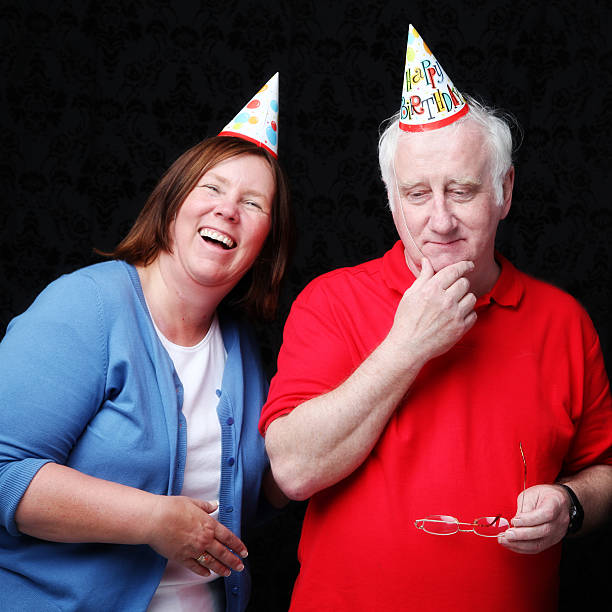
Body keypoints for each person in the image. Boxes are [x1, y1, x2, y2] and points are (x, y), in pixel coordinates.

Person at [259, 27, 612, 612]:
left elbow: (603, 471)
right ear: (392, 199)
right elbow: (293, 470)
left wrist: (571, 504)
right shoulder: (331, 301)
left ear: (504, 190)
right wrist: (408, 345)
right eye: (417, 194)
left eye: (463, 190)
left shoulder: (564, 322)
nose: (440, 221)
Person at [0, 73, 291, 612]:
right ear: (173, 203)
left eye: (254, 204)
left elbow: (268, 491)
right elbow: (3, 471)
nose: (228, 210)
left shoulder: (244, 351)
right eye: (212, 188)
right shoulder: (85, 307)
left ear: (265, 245)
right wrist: (152, 520)